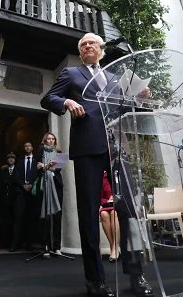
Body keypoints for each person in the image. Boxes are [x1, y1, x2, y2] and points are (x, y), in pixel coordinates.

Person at [40, 32, 153, 297]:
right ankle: (95, 279)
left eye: (92, 42)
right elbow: (47, 99)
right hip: (87, 149)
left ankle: (136, 275)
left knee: (129, 212)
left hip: (117, 149)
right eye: (83, 44)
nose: (88, 45)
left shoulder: (116, 78)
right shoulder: (71, 74)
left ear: (102, 49)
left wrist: (142, 97)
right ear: (80, 52)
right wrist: (66, 101)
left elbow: (127, 109)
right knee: (89, 213)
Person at [35, 132, 64, 255]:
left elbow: (59, 168)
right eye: (48, 139)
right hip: (44, 185)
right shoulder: (40, 152)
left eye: (53, 139)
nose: (51, 141)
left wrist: (45, 166)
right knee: (45, 217)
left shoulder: (60, 153)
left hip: (56, 186)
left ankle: (56, 247)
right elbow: (37, 167)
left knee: (57, 216)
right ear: (45, 141)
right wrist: (46, 166)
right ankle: (45, 246)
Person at [11, 141, 39, 251]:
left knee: (31, 218)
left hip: (32, 193)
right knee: (18, 218)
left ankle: (29, 244)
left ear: (32, 148)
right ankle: (14, 244)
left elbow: (38, 175)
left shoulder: (37, 161)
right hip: (21, 192)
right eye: (25, 146)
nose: (27, 147)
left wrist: (31, 185)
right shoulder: (20, 161)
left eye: (29, 146)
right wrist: (23, 185)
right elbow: (16, 176)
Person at [0, 152, 18, 249]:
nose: (11, 159)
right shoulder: (3, 170)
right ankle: (3, 242)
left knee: (13, 221)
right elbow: (0, 184)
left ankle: (13, 243)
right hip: (4, 200)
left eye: (13, 158)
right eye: (9, 158)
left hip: (14, 200)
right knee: (4, 222)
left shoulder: (18, 170)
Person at [100, 171, 120, 262]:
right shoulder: (100, 176)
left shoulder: (115, 173)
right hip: (105, 204)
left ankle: (115, 247)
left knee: (114, 213)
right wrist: (106, 201)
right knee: (103, 214)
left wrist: (114, 197)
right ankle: (113, 246)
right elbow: (98, 196)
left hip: (117, 204)